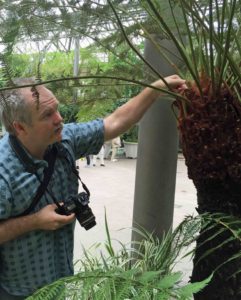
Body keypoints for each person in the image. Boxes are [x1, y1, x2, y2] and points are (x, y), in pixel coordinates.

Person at [0, 75, 186, 299]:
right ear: (19, 127)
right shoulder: (4, 172)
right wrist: (35, 221)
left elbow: (115, 121)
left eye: (57, 109)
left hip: (59, 284)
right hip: (18, 293)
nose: (59, 119)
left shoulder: (64, 139)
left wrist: (155, 89)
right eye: (47, 115)